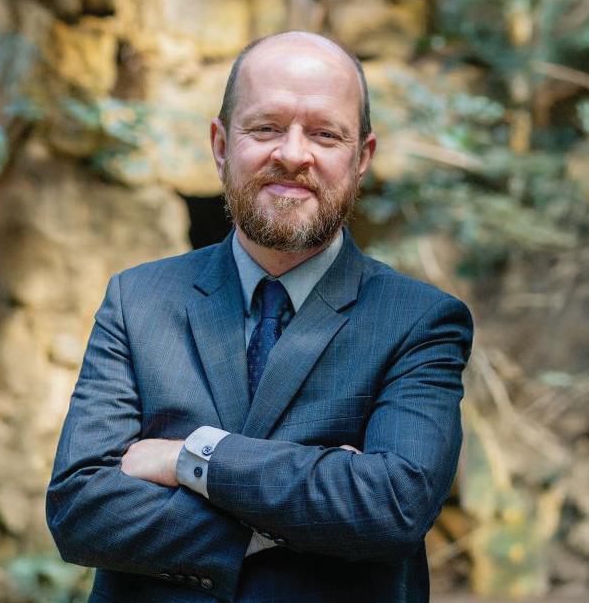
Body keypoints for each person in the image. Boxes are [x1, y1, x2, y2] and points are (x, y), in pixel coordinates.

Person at [46, 31, 473, 603]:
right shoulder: (138, 299)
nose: (293, 155)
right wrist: (308, 505)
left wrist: (189, 457)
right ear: (221, 145)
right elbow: (79, 510)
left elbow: (390, 507)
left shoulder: (420, 321)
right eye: (266, 128)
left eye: (324, 134)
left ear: (363, 158)